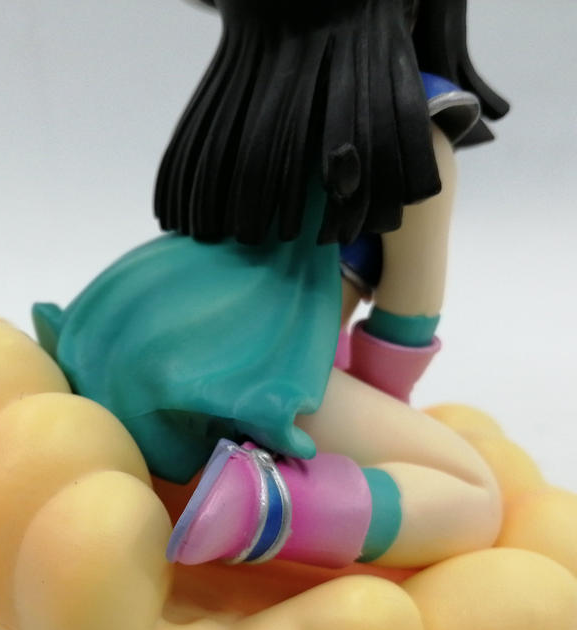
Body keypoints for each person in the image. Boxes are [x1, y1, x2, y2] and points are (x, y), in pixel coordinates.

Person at [33, 0, 511, 570]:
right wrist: (385, 414)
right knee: (474, 494)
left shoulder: (249, 95)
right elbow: (408, 313)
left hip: (128, 313)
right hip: (245, 349)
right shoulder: (413, 125)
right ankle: (265, 505)